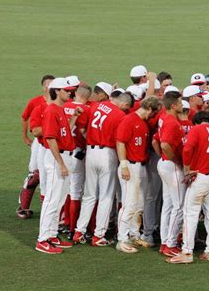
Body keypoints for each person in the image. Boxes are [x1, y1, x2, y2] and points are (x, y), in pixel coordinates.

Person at [73, 93, 133, 246]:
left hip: (91, 151)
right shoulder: (120, 115)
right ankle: (98, 235)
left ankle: (79, 231)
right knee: (106, 196)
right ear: (124, 104)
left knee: (89, 194)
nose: (127, 109)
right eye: (127, 106)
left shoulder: (97, 105)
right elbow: (119, 140)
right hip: (107, 153)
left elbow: (81, 125)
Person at [168, 111, 209, 264]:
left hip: (199, 177)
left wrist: (186, 169)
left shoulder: (197, 129)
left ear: (197, 121)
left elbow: (187, 149)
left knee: (190, 214)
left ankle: (187, 252)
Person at [35, 77, 79, 254]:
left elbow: (63, 133)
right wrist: (60, 164)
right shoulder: (52, 111)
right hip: (56, 158)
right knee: (52, 200)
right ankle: (42, 239)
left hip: (63, 156)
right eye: (67, 90)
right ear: (57, 91)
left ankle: (52, 235)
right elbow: (51, 138)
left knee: (59, 199)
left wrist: (74, 118)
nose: (70, 92)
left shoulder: (59, 110)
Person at [115, 96, 161, 253]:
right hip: (130, 166)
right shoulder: (129, 120)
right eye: (154, 112)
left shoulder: (143, 123)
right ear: (149, 108)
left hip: (140, 167)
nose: (154, 116)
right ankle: (121, 239)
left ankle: (134, 235)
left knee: (139, 204)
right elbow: (120, 142)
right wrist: (124, 165)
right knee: (129, 204)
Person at [17, 74, 54, 219]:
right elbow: (24, 117)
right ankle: (23, 207)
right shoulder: (36, 102)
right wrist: (25, 136)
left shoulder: (64, 102)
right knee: (35, 174)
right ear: (44, 87)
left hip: (55, 143)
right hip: (39, 143)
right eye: (49, 84)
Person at [157, 91, 186, 257]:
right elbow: (165, 145)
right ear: (173, 106)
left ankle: (164, 242)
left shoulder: (164, 117)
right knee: (179, 206)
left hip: (164, 165)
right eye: (180, 103)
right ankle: (171, 244)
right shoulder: (172, 122)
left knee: (168, 205)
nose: (182, 105)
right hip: (170, 165)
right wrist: (177, 160)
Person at [62, 86, 91, 239]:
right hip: (78, 154)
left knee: (65, 189)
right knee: (76, 192)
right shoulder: (86, 110)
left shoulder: (64, 105)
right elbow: (83, 131)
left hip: (63, 153)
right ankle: (73, 228)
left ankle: (65, 222)